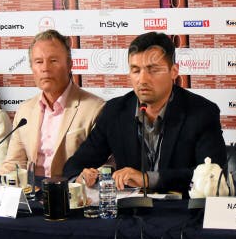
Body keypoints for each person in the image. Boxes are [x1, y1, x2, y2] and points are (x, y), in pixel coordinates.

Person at [63, 32, 225, 193]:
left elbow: (212, 175)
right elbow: (74, 165)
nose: (143, 79)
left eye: (153, 70)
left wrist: (147, 179)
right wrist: (81, 177)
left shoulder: (202, 112)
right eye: (135, 70)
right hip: (130, 213)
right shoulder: (114, 111)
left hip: (181, 212)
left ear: (174, 71)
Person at [2, 30, 105, 177]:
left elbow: (107, 165)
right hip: (31, 194)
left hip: (73, 194)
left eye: (53, 61)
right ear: (32, 68)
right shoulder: (25, 110)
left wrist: (90, 177)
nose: (45, 68)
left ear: (69, 65)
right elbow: (14, 164)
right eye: (38, 62)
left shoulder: (95, 108)